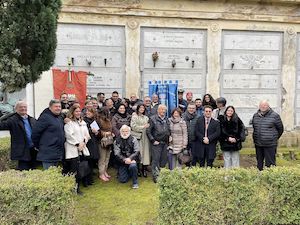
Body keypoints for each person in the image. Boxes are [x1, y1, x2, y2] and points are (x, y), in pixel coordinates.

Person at [0, 101, 37, 170]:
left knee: (34, 171)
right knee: (23, 171)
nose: (23, 108)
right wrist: (8, 115)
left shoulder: (32, 119)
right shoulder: (12, 120)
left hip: (33, 150)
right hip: (22, 151)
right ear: (16, 109)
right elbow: (1, 125)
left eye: (24, 107)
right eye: (20, 107)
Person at [63, 105, 91, 194]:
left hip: (82, 148)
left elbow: (87, 135)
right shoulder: (69, 123)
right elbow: (69, 136)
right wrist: (77, 144)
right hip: (72, 149)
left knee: (81, 169)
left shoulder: (83, 122)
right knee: (73, 170)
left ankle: (79, 187)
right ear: (72, 112)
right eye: (76, 111)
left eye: (79, 111)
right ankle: (74, 188)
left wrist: (83, 142)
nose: (78, 113)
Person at [32, 99, 65, 169]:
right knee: (50, 175)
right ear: (50, 108)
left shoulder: (59, 118)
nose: (58, 108)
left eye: (59, 106)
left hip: (57, 153)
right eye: (56, 106)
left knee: (55, 176)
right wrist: (38, 146)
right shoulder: (45, 117)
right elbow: (35, 133)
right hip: (48, 153)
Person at [252, 100, 283, 171]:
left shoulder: (275, 116)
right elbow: (254, 128)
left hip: (270, 144)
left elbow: (280, 129)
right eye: (261, 105)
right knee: (259, 163)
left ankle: (270, 178)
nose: (262, 107)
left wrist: (273, 138)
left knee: (270, 164)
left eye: (264, 105)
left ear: (268, 106)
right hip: (258, 144)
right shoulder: (255, 115)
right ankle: (260, 177)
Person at [146, 104, 170, 183]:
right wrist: (153, 140)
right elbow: (148, 131)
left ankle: (161, 174)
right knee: (156, 160)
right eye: (162, 109)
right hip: (156, 143)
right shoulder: (152, 119)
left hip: (165, 143)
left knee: (163, 160)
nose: (163, 111)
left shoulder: (167, 119)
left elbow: (168, 129)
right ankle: (156, 176)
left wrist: (169, 136)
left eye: (164, 110)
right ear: (158, 110)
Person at [130, 104, 150, 177]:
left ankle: (143, 170)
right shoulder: (134, 116)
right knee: (138, 154)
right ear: (138, 108)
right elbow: (133, 127)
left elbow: (148, 127)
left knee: (145, 154)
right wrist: (143, 127)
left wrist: (145, 127)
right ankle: (138, 169)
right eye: (140, 108)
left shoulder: (146, 118)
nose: (142, 109)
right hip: (137, 137)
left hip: (145, 138)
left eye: (143, 108)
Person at [83, 108, 100, 185]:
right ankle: (86, 179)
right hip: (87, 143)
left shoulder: (93, 121)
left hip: (93, 142)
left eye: (90, 112)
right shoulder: (84, 121)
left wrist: (96, 132)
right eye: (87, 111)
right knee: (87, 161)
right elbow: (83, 131)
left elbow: (97, 131)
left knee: (91, 161)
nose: (87, 113)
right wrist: (90, 130)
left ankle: (90, 178)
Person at [97, 107, 114, 182]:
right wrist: (104, 133)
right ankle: (101, 173)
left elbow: (110, 128)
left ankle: (105, 171)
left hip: (109, 141)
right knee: (102, 158)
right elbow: (96, 131)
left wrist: (111, 133)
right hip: (102, 142)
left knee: (107, 157)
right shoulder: (98, 120)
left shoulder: (108, 119)